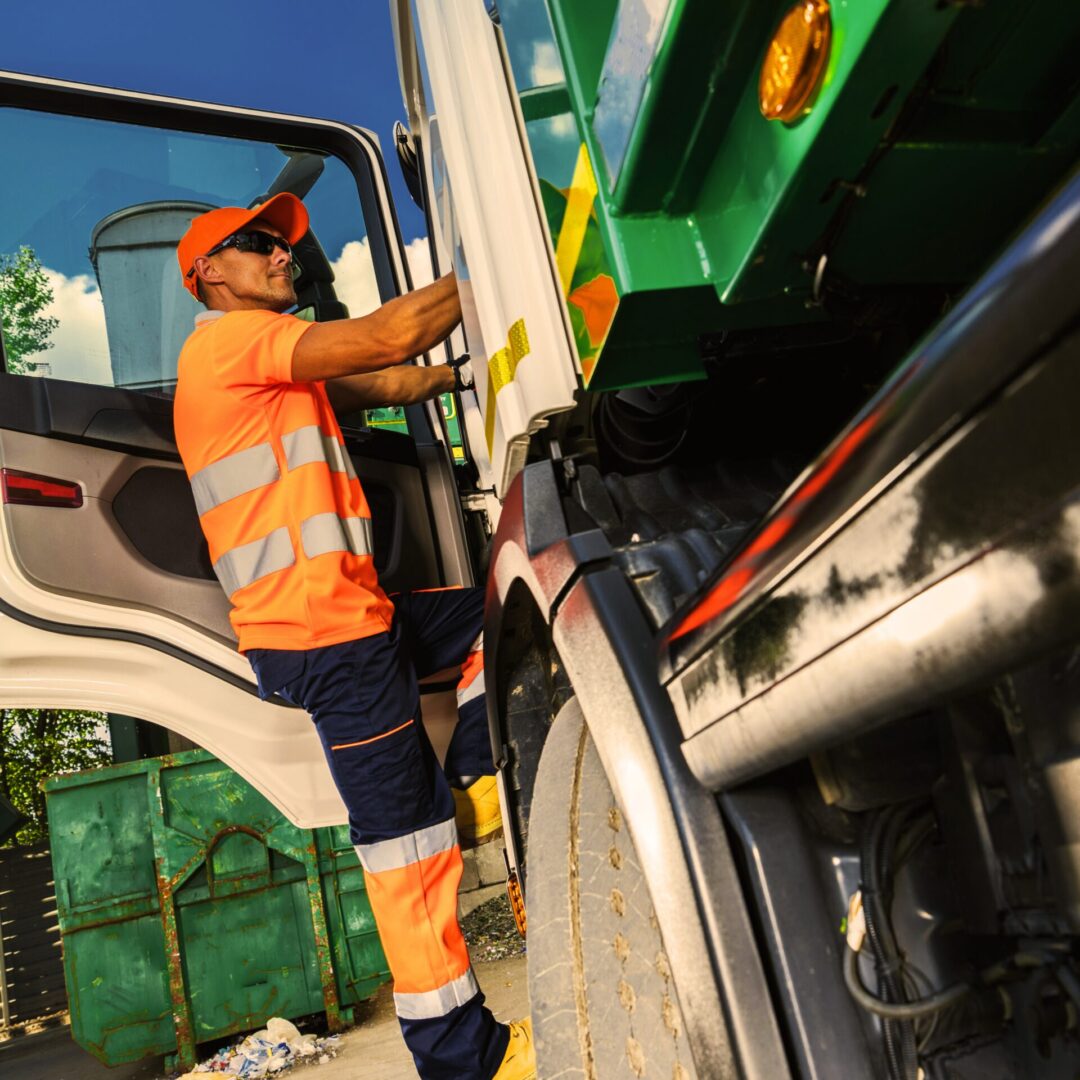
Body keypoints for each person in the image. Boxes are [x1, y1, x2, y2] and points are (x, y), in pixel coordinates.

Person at [172, 192, 534, 1080]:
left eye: (282, 243)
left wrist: (457, 379)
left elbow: (393, 377)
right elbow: (384, 338)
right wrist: (503, 256)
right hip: (327, 639)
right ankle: (463, 1060)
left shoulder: (278, 367)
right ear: (209, 273)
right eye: (258, 244)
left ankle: (473, 777)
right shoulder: (228, 344)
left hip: (354, 620)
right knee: (406, 851)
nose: (280, 255)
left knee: (507, 603)